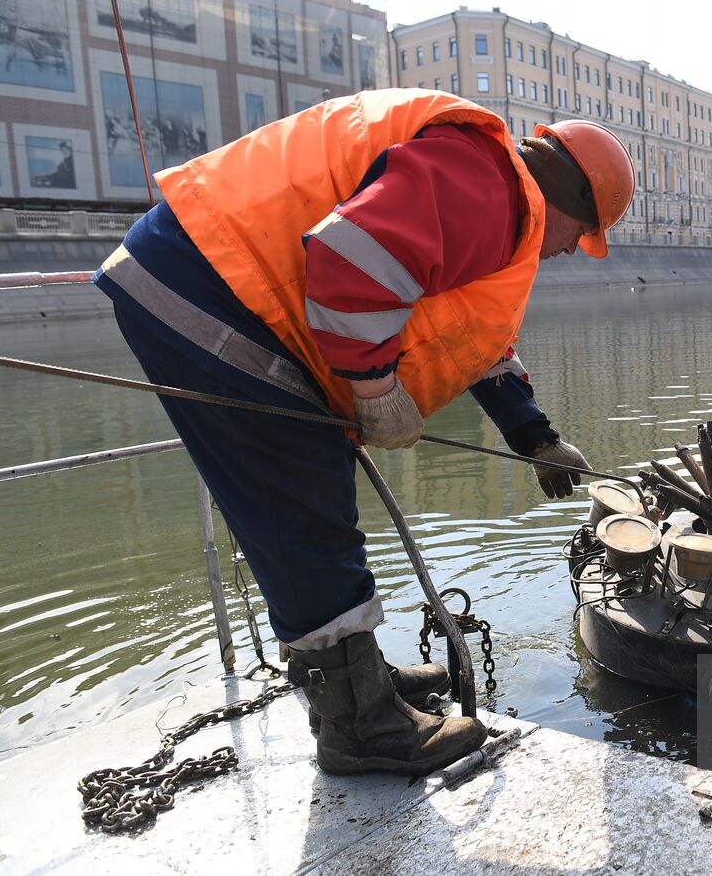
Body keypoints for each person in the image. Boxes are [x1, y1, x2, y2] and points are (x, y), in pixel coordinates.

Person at [93, 88, 635, 776]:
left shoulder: (494, 196)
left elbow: (469, 336)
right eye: (577, 240)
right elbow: (351, 260)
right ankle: (360, 726)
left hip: (214, 276)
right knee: (302, 498)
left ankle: (357, 675)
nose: (566, 253)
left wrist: (534, 436)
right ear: (573, 208)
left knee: (310, 492)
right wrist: (376, 390)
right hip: (214, 284)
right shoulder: (489, 186)